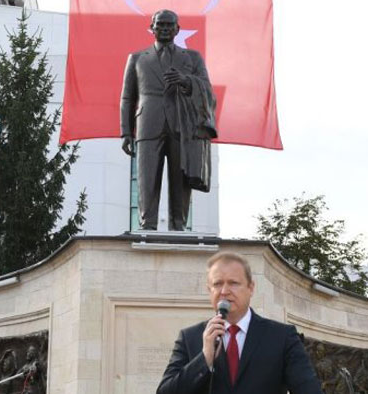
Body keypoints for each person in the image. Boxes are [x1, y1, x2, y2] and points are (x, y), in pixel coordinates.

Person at [157, 252, 322, 394]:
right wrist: (205, 358)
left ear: (251, 288)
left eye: (233, 283)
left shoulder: (282, 337)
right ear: (209, 291)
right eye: (217, 284)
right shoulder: (190, 337)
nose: (224, 291)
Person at [120, 9, 217, 231]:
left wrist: (186, 81)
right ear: (152, 28)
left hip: (182, 125)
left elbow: (208, 90)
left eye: (169, 25)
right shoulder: (136, 59)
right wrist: (126, 132)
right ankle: (147, 225)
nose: (164, 29)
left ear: (177, 29)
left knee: (180, 179)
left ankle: (178, 226)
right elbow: (127, 98)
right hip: (148, 124)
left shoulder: (192, 58)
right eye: (160, 25)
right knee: (146, 179)